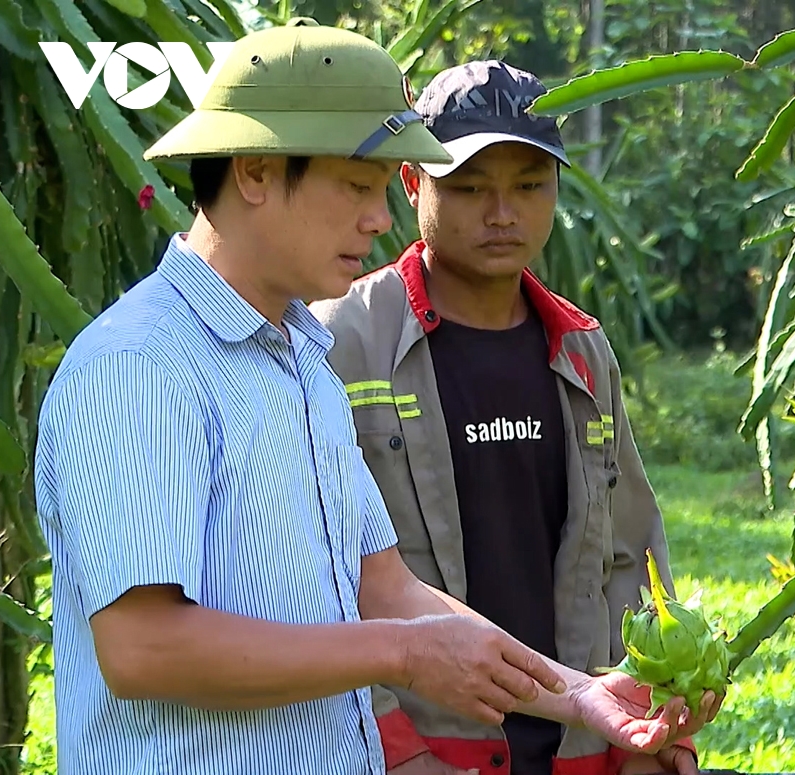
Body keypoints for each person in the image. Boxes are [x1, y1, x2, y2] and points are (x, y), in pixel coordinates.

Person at [34, 22, 709, 775]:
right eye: (357, 186)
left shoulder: (303, 362)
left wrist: (579, 695)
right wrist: (401, 652)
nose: (381, 219)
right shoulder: (141, 365)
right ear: (256, 172)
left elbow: (382, 584)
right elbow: (143, 647)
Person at [307, 60, 719, 775]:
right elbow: (317, 581)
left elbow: (632, 556)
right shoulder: (340, 341)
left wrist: (659, 731)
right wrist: (397, 748)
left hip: (583, 748)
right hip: (428, 751)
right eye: (469, 188)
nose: (502, 213)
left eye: (529, 186)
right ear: (413, 184)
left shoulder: (582, 348)